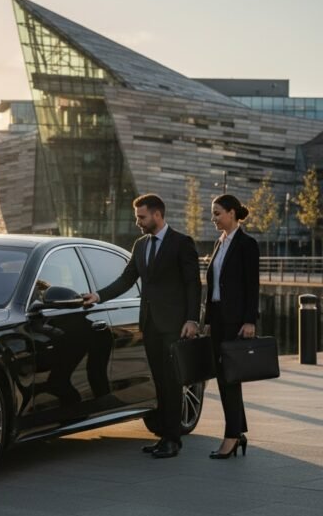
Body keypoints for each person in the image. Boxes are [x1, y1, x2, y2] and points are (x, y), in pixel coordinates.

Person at [82, 194, 201, 458]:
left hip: (174, 325)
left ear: (157, 215)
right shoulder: (140, 245)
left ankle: (173, 439)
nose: (138, 222)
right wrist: (98, 296)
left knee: (172, 382)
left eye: (141, 217)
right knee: (159, 381)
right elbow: (126, 279)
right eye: (137, 217)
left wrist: (192, 320)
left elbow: (194, 283)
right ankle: (163, 436)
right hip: (149, 324)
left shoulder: (182, 243)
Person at [205, 194, 260, 459]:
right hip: (217, 319)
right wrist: (206, 322)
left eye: (217, 213)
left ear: (231, 213)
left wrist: (250, 320)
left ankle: (231, 437)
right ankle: (239, 431)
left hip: (235, 322)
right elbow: (214, 285)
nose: (213, 218)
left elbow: (252, 286)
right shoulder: (220, 242)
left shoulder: (247, 245)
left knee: (229, 379)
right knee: (226, 377)